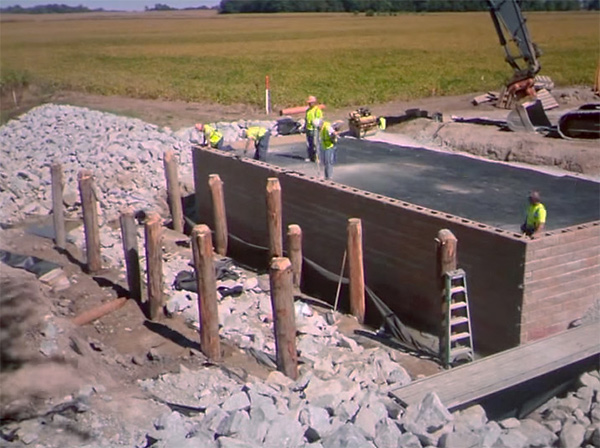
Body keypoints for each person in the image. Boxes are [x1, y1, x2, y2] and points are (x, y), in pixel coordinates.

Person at [304, 95, 323, 162]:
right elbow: (306, 119)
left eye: (311, 102)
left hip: (315, 129)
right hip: (308, 128)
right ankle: (310, 156)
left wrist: (319, 126)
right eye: (309, 103)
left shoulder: (317, 110)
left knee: (315, 143)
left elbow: (320, 119)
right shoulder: (308, 110)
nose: (309, 104)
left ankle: (317, 157)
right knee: (309, 143)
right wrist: (305, 127)